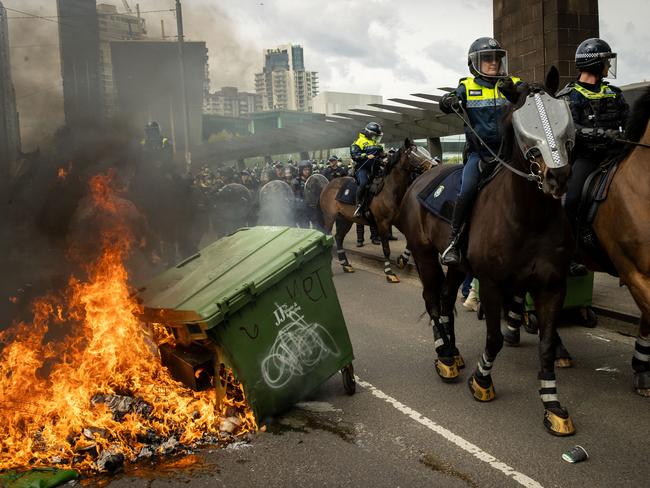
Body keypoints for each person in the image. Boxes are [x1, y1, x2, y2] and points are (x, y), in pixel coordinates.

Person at [438, 37, 522, 266]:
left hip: (511, 155)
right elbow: (451, 101)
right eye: (487, 59)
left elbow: (529, 98)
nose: (493, 63)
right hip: (481, 155)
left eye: (496, 58)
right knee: (466, 191)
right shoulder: (467, 85)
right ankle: (454, 242)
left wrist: (515, 93)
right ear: (474, 63)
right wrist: (448, 101)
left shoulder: (513, 82)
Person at [557, 38, 629, 276]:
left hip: (615, 156)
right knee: (573, 199)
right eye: (606, 61)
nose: (609, 66)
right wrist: (599, 134)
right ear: (596, 64)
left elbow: (629, 124)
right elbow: (569, 129)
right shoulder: (568, 95)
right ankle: (570, 253)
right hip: (586, 158)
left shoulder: (613, 93)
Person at [350, 122, 385, 217]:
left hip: (376, 168)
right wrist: (364, 156)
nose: (376, 137)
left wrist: (384, 156)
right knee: (364, 183)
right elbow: (354, 155)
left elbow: (381, 153)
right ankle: (359, 204)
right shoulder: (358, 142)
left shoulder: (375, 142)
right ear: (369, 133)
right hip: (363, 168)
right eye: (375, 135)